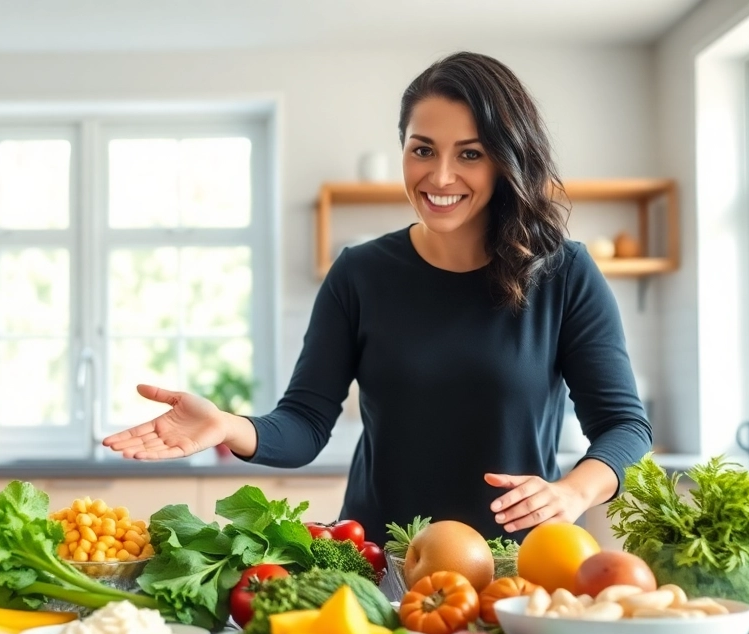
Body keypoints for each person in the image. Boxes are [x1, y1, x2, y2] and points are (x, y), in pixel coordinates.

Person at [102, 51, 652, 545]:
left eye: (470, 154)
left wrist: (575, 492)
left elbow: (625, 426)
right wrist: (228, 426)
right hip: (377, 560)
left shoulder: (562, 272)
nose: (439, 176)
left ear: (507, 159)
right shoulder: (359, 273)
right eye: (422, 150)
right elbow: (304, 421)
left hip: (511, 564)